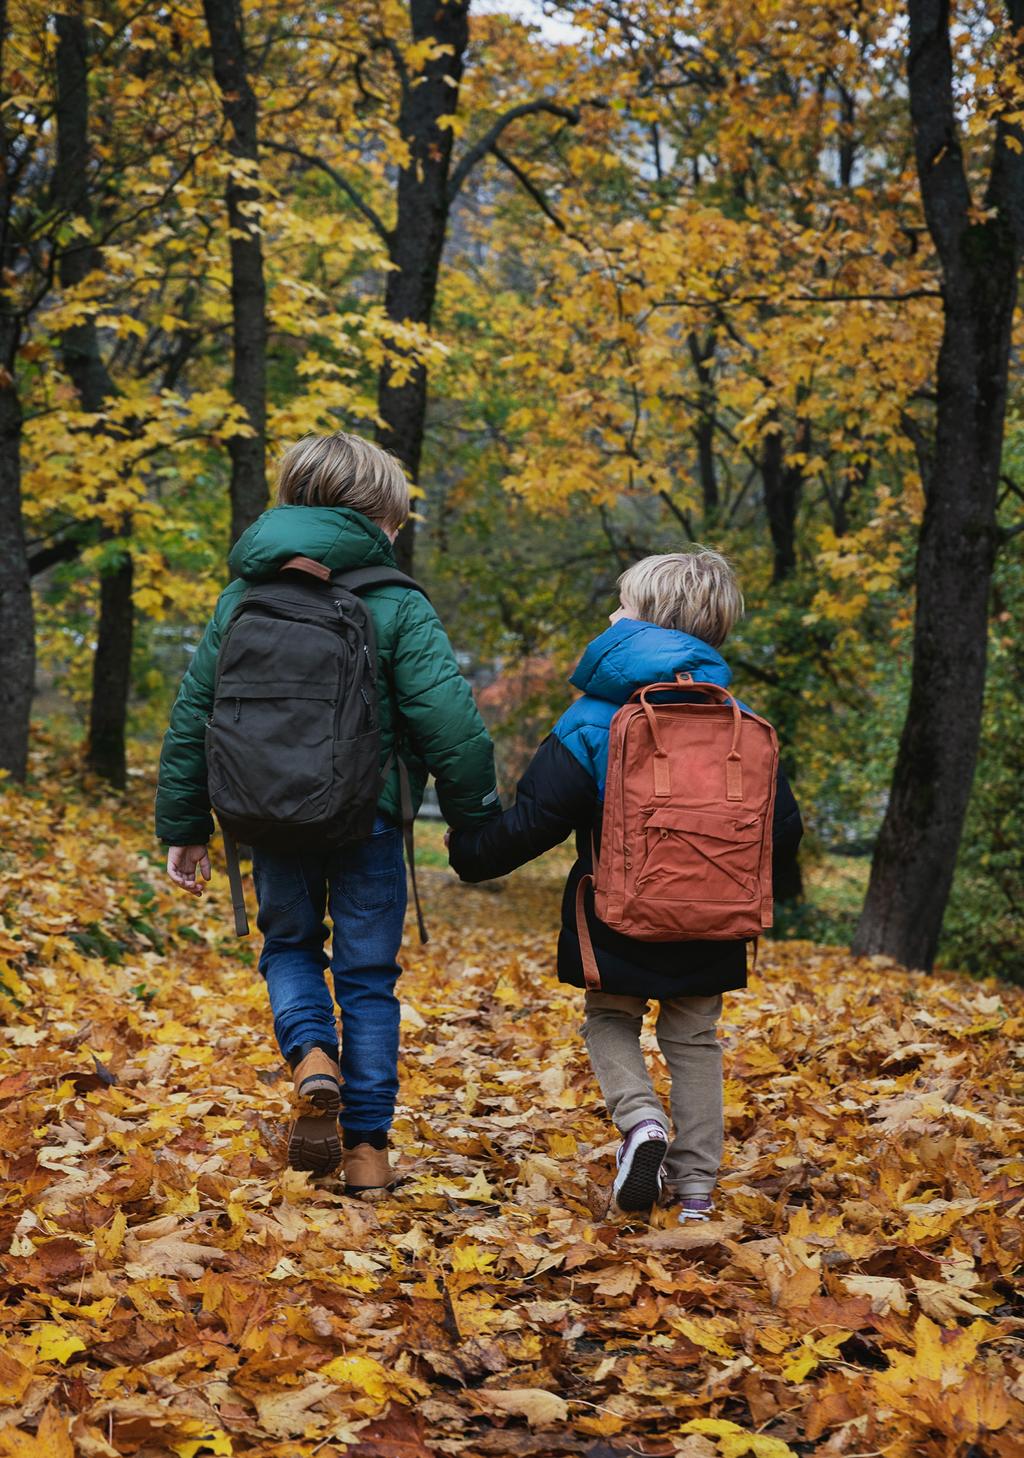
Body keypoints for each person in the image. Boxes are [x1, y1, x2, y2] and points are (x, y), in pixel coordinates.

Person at [156, 432, 499, 1191]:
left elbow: (194, 715)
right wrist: (476, 815)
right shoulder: (395, 600)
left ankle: (312, 1054)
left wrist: (184, 827)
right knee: (370, 977)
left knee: (289, 949)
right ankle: (368, 1152)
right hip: (368, 816)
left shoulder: (242, 596)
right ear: (380, 514)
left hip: (267, 813)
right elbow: (449, 718)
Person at [448, 549, 802, 1222]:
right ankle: (695, 1191)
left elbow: (535, 821)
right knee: (695, 1040)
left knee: (611, 1017)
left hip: (619, 909)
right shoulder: (741, 722)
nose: (614, 611)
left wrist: (470, 853)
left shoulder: (595, 719)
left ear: (643, 622)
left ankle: (642, 1123)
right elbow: (781, 828)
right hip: (713, 914)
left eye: (625, 603)